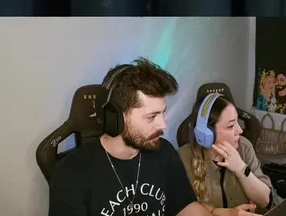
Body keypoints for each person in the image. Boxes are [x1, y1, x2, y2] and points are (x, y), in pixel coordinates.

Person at [48, 58, 248, 216]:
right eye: (151, 117)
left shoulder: (164, 152)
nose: (163, 125)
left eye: (162, 113)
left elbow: (186, 208)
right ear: (116, 117)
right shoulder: (72, 173)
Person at [177, 93, 281, 214]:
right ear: (206, 133)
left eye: (237, 121)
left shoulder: (244, 146)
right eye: (231, 125)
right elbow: (181, 206)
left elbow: (265, 200)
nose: (240, 130)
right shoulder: (183, 157)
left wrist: (241, 169)